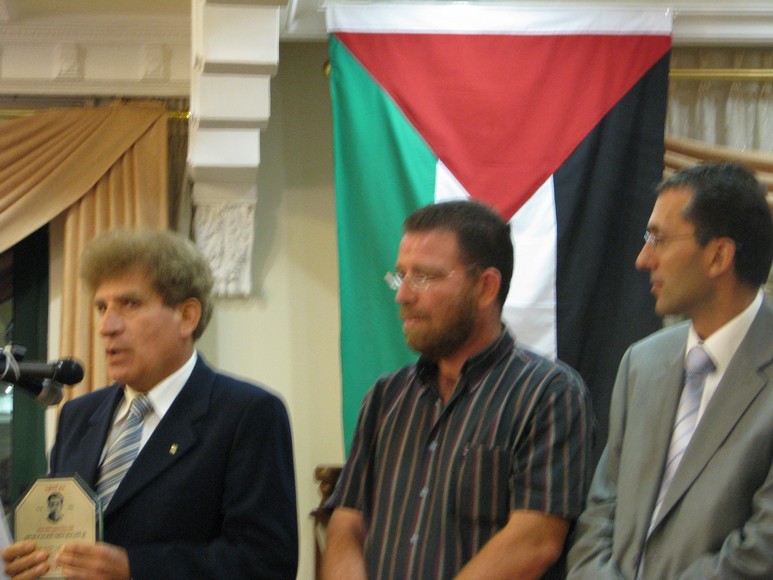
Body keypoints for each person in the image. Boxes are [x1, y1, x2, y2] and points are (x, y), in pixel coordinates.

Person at [3, 230, 298, 580]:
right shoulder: (78, 415)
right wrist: (32, 561)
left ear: (187, 316)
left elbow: (266, 562)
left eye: (130, 304)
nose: (106, 326)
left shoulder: (247, 413)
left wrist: (135, 569)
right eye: (101, 307)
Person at [322, 200, 594, 580]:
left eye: (424, 277)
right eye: (401, 276)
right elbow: (347, 523)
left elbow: (534, 540)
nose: (403, 295)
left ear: (485, 288)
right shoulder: (386, 396)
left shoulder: (548, 393)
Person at [568, 162, 773, 578]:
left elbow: (761, 551)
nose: (643, 259)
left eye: (658, 240)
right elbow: (601, 511)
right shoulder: (642, 363)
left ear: (718, 255)